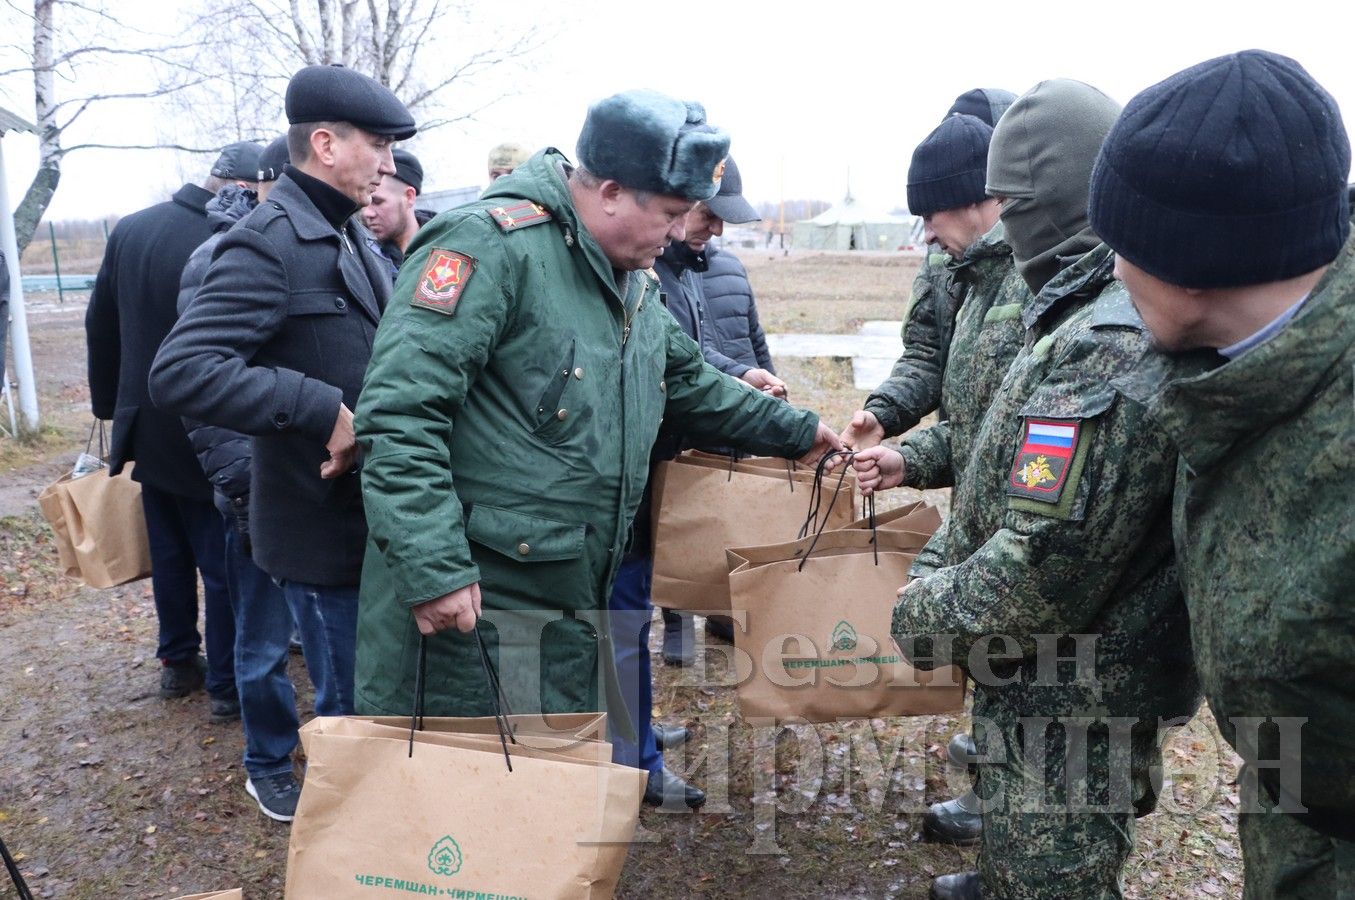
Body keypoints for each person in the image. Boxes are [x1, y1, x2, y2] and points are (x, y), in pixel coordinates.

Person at [350, 91, 841, 812]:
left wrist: (796, 432)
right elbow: (398, 414)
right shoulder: (490, 246)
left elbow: (684, 379)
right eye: (669, 214)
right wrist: (432, 569)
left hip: (567, 592)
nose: (676, 234)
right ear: (609, 191)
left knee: (534, 789)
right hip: (479, 599)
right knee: (457, 803)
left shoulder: (629, 277)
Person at [855, 79, 1203, 900]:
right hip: (1051, 682)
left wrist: (922, 609)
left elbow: (1044, 558)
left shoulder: (1103, 338)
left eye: (1007, 200)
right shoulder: (1071, 309)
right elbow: (1000, 461)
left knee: (1053, 879)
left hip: (1075, 693)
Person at [1089, 49, 1355, 898]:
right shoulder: (1235, 377)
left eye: (1117, 243)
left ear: (1183, 257)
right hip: (1294, 832)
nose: (1109, 272)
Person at [149, 63, 416, 822]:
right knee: (351, 723)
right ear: (325, 144)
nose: (387, 162)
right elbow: (184, 371)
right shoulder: (267, 241)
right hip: (321, 532)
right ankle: (358, 855)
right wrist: (315, 407)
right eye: (378, 143)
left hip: (374, 526)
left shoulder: (343, 233)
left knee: (381, 712)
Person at [846, 112, 1028, 848]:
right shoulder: (976, 277)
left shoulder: (1043, 280)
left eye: (930, 214)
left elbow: (1026, 436)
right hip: (992, 521)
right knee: (1007, 682)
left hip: (1034, 529)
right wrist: (899, 446)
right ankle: (999, 819)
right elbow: (972, 412)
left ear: (981, 198)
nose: (923, 233)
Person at [608, 153, 776, 809]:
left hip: (669, 472)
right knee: (619, 625)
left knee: (632, 622)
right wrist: (739, 384)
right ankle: (632, 763)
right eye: (701, 214)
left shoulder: (687, 271)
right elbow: (679, 370)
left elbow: (701, 357)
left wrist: (748, 384)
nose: (711, 229)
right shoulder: (638, 275)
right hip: (630, 479)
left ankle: (637, 735)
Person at [174, 134, 324, 824]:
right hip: (257, 489)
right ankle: (266, 762)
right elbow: (199, 384)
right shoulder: (224, 254)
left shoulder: (321, 244)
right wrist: (239, 480)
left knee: (314, 640)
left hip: (310, 482)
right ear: (267, 183)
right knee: (262, 643)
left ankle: (328, 754)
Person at [86, 139, 260, 720]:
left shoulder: (132, 229)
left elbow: (100, 321)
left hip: (145, 427)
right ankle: (227, 687)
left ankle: (178, 662)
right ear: (238, 186)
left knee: (168, 552)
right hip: (204, 425)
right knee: (221, 559)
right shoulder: (227, 239)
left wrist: (110, 405)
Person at [840, 88, 1015, 451]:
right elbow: (926, 352)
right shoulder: (942, 254)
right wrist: (883, 413)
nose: (929, 236)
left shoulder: (1038, 260)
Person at [361, 147, 424, 278]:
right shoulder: (360, 258)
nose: (367, 213)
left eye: (377, 202)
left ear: (409, 197)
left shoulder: (447, 250)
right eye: (365, 202)